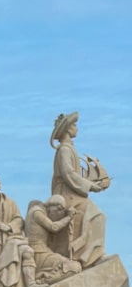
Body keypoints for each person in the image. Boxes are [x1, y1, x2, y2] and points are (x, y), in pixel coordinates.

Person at [50, 111, 108, 267]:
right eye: (74, 125)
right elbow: (68, 173)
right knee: (96, 215)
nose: (77, 128)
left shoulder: (68, 148)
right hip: (67, 194)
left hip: (73, 192)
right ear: (68, 129)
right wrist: (90, 186)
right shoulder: (64, 150)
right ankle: (82, 256)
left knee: (97, 216)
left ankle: (90, 254)